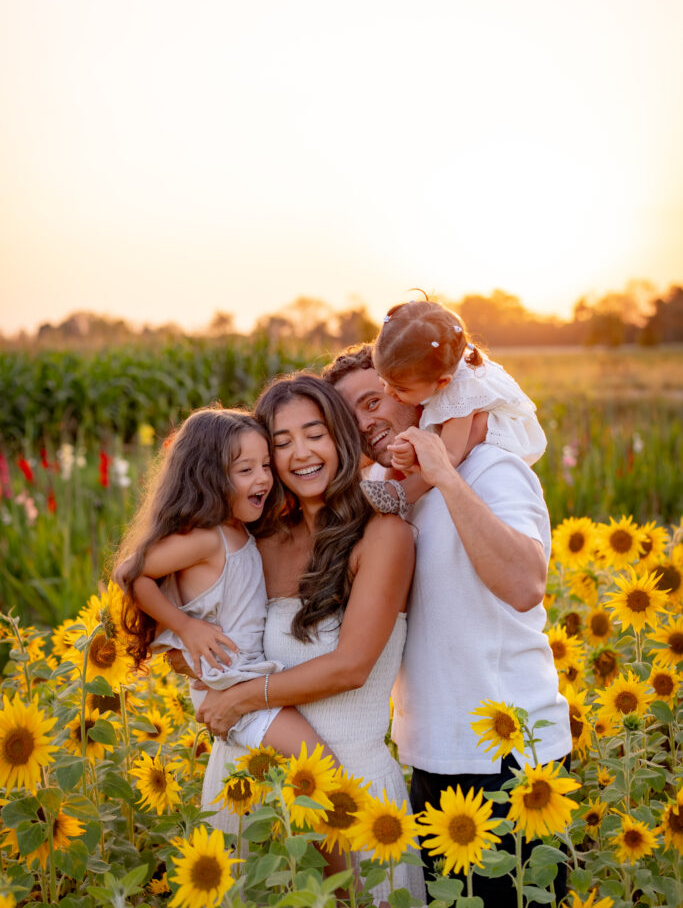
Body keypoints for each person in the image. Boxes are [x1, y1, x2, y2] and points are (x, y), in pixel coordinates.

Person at [323, 346, 572, 906]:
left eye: (372, 402)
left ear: (414, 394)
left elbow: (524, 584)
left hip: (511, 760)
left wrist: (446, 476)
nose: (364, 423)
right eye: (348, 416)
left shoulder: (492, 468)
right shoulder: (387, 490)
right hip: (429, 753)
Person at [194, 375, 426, 905]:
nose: (301, 453)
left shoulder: (384, 535)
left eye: (314, 434)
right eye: (282, 442)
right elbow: (196, 623)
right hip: (248, 787)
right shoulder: (257, 540)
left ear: (341, 437)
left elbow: (351, 667)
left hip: (352, 796)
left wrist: (242, 698)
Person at [114, 405, 336, 762]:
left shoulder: (240, 529)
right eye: (246, 470)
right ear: (208, 477)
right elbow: (129, 573)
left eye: (266, 465)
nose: (262, 479)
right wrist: (185, 627)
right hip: (229, 687)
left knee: (302, 777)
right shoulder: (207, 538)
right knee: (323, 766)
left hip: (246, 680)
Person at [363, 298, 546, 514]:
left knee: (477, 426)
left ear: (442, 382)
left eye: (400, 389)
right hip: (464, 410)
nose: (388, 392)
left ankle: (407, 492)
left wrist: (417, 452)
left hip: (506, 423)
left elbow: (448, 455)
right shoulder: (428, 367)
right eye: (383, 380)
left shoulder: (460, 392)